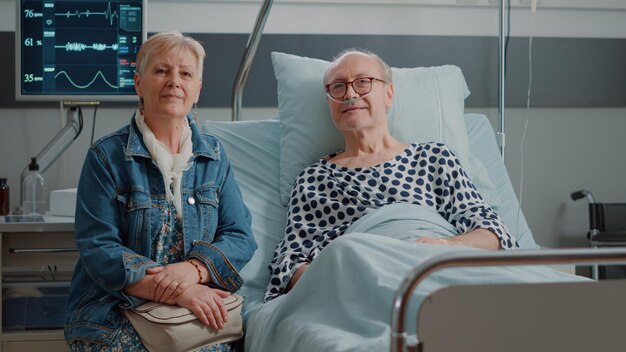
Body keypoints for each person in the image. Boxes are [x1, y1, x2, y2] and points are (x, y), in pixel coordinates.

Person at [264, 49, 518, 302]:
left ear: (388, 94)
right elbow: (288, 264)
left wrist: (444, 247)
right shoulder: (314, 179)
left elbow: (494, 232)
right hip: (359, 283)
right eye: (338, 87)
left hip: (434, 268)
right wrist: (343, 281)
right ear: (330, 101)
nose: (350, 93)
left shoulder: (433, 157)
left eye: (363, 82)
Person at [64, 31, 257, 351]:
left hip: (193, 315)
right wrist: (182, 290)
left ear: (197, 89)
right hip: (114, 310)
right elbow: (99, 248)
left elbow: (239, 236)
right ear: (139, 83)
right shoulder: (105, 156)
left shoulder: (215, 157)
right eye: (161, 70)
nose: (174, 81)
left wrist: (194, 270)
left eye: (185, 73)